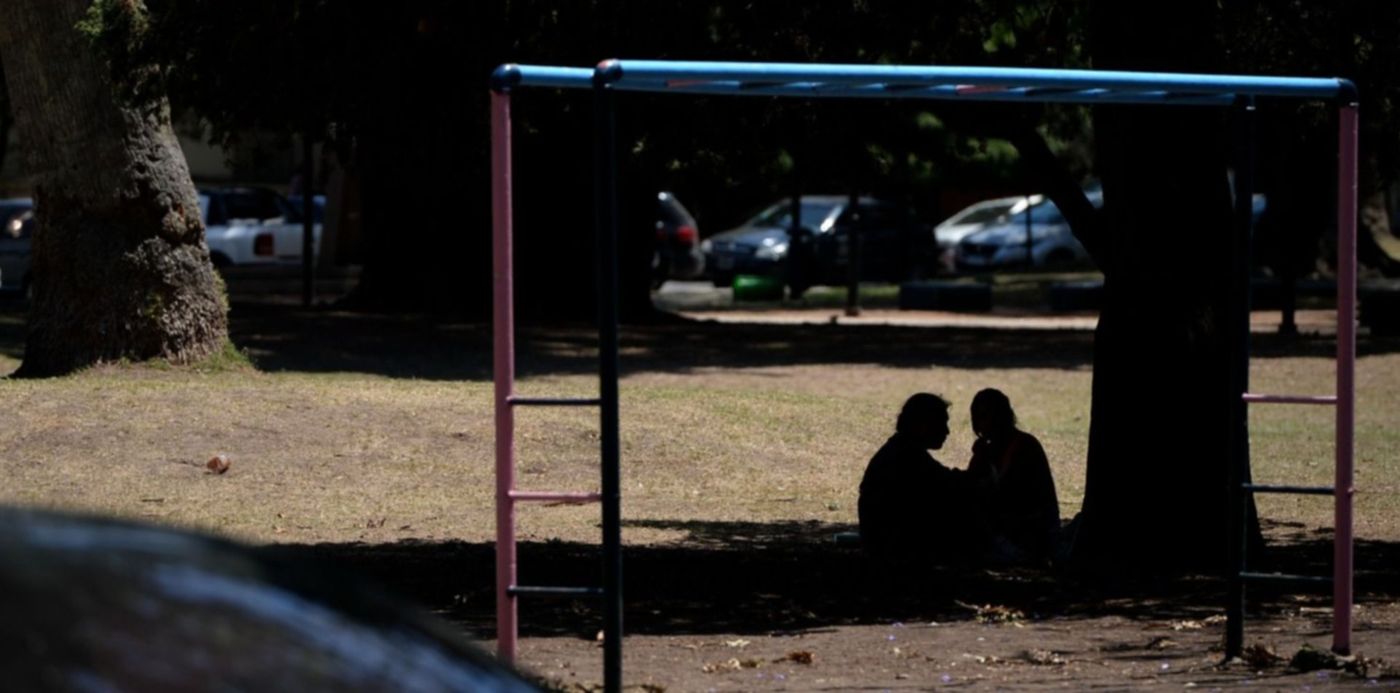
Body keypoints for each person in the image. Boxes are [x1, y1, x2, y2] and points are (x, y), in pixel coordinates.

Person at [858, 393, 980, 563]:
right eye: (942, 423)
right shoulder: (907, 457)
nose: (947, 431)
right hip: (896, 550)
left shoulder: (901, 450)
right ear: (923, 425)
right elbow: (954, 486)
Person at [966, 388, 1061, 564]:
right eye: (980, 418)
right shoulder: (990, 448)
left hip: (1028, 535)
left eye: (989, 417)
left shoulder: (1024, 446)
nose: (985, 424)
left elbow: (1006, 497)